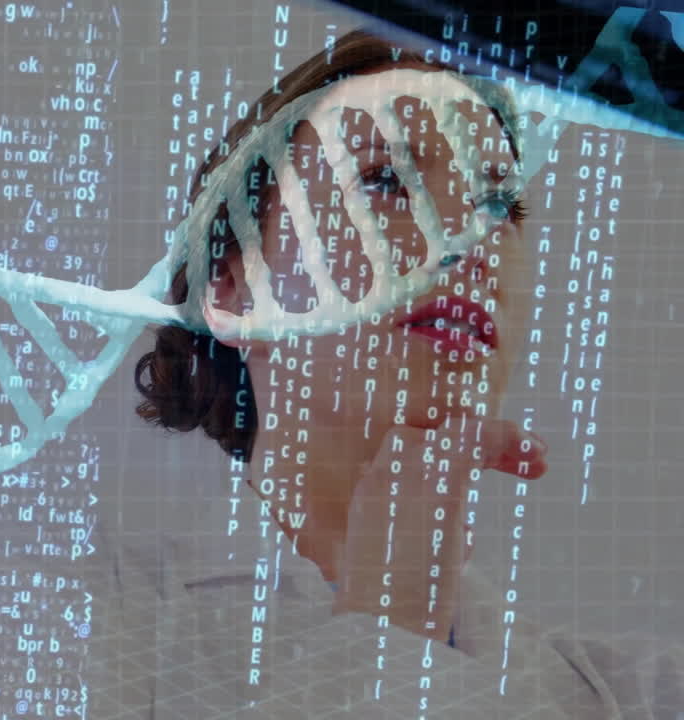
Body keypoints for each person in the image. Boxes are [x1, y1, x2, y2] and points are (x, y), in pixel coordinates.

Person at [95, 28, 683, 718]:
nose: (470, 238)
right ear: (230, 292)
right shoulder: (72, 626)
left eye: (500, 204)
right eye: (385, 179)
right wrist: (392, 620)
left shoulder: (642, 695)